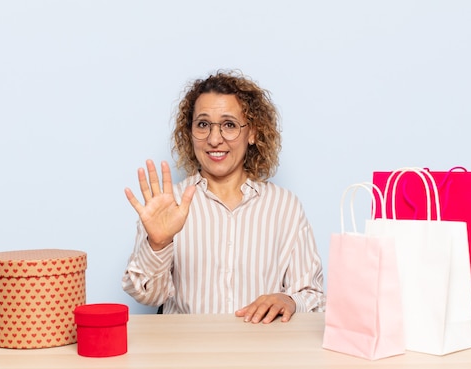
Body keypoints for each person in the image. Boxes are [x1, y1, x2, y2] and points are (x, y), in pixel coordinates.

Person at [122, 70, 325, 324]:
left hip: (261, 355)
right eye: (203, 125)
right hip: (187, 357)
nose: (214, 139)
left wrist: (291, 301)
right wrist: (158, 244)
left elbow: (315, 299)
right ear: (190, 132)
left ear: (252, 133)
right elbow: (147, 295)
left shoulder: (285, 207)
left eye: (229, 125)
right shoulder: (167, 203)